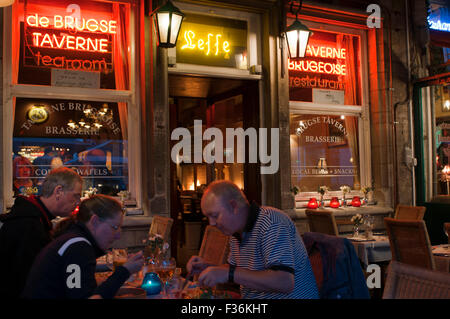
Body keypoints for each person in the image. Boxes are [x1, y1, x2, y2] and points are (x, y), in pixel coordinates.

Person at [187, 180, 319, 299]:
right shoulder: (236, 232)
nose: (211, 223)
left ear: (233, 206)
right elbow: (239, 272)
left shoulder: (272, 221)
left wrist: (227, 273)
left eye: (215, 215)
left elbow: (284, 281)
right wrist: (208, 268)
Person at [22, 195, 144, 299]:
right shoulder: (77, 247)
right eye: (115, 227)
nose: (118, 235)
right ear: (95, 221)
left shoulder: (73, 240)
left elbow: (76, 288)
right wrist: (125, 271)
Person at [0, 167, 83, 298]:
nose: (78, 202)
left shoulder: (36, 217)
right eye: (76, 196)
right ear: (58, 191)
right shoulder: (29, 224)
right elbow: (30, 279)